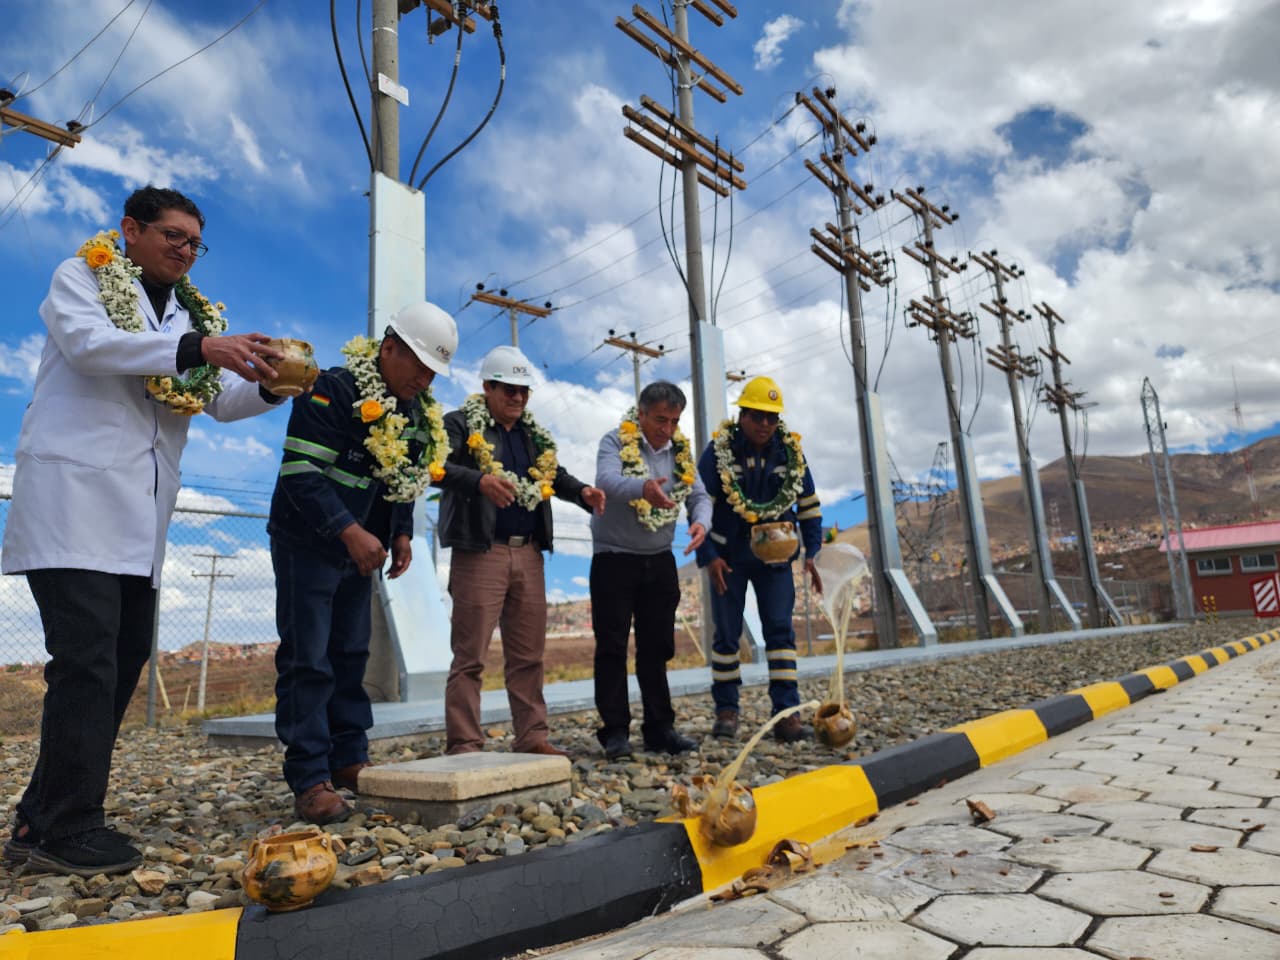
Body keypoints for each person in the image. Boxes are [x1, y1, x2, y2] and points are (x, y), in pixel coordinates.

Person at [1, 185, 288, 876]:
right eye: (173, 236)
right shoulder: (84, 277)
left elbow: (219, 401)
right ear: (130, 229)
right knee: (86, 663)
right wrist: (199, 345)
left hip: (140, 519)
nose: (186, 251)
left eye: (195, 243)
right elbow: (90, 346)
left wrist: (272, 386)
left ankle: (43, 818)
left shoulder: (189, 315)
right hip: (74, 502)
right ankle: (67, 827)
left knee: (120, 663)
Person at [268, 302, 458, 825]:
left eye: (433, 372)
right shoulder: (332, 389)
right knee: (308, 658)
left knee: (351, 653)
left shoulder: (415, 414)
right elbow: (301, 472)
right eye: (419, 365)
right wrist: (349, 531)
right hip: (308, 541)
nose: (424, 380)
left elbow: (403, 479)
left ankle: (348, 756)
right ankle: (309, 776)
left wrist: (400, 532)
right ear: (389, 348)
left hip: (362, 551)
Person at [437, 345, 605, 757]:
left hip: (529, 553)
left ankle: (532, 736)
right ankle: (464, 743)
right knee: (470, 655)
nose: (518, 397)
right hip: (480, 552)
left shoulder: (533, 435)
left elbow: (553, 475)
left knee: (529, 654)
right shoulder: (459, 424)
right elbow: (435, 466)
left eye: (524, 391)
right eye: (509, 389)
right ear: (488, 387)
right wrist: (479, 481)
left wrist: (582, 492)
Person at [695, 376, 823, 743]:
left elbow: (809, 506)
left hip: (776, 561)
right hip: (728, 560)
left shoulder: (791, 453)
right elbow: (699, 504)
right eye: (757, 416)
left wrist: (812, 552)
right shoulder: (717, 452)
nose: (765, 424)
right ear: (742, 415)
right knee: (726, 636)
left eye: (772, 417)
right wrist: (709, 557)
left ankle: (786, 714)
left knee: (781, 632)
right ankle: (726, 711)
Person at [589, 382, 710, 760]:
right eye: (660, 420)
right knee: (612, 646)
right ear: (640, 414)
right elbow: (606, 481)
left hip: (659, 559)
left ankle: (660, 728)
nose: (667, 429)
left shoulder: (680, 452)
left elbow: (699, 495)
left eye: (674, 421)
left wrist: (701, 522)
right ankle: (615, 731)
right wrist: (642, 488)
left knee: (657, 646)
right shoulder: (615, 441)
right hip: (614, 557)